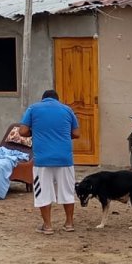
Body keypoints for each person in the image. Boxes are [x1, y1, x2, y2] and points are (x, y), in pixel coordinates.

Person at [17, 89, 80, 235]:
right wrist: (62, 133)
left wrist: (35, 131)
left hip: (42, 160)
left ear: (43, 99)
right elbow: (77, 133)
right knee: (67, 191)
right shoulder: (67, 110)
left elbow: (22, 131)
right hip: (65, 159)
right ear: (57, 99)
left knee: (42, 192)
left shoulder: (33, 108)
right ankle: (69, 223)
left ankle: (48, 226)